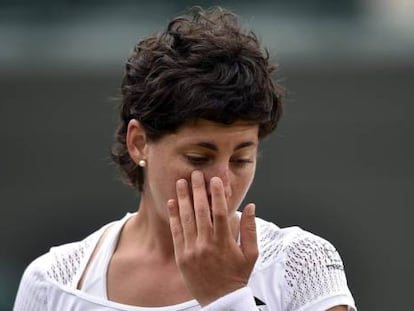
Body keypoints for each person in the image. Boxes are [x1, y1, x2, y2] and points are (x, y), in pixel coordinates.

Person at [13, 6, 356, 311]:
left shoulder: (302, 263)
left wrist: (226, 296)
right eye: (198, 158)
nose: (221, 182)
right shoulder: (51, 282)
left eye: (241, 160)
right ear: (139, 143)